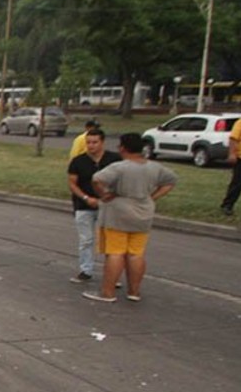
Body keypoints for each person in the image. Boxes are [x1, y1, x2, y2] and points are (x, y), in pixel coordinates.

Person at [84, 133, 177, 303]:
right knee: (136, 254)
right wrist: (152, 197)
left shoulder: (120, 167)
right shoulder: (155, 167)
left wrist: (103, 194)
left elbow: (97, 179)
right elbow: (170, 181)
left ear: (123, 148)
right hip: (143, 212)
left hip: (118, 211)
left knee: (115, 253)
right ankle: (134, 291)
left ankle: (108, 292)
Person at [67, 129, 121, 283]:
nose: (91, 145)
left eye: (95, 142)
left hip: (108, 205)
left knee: (110, 241)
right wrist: (85, 198)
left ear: (102, 142)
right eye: (88, 142)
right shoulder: (78, 161)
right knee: (86, 240)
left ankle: (112, 274)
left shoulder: (114, 159)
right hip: (84, 205)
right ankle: (86, 270)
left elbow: (121, 180)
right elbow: (72, 183)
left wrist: (111, 196)